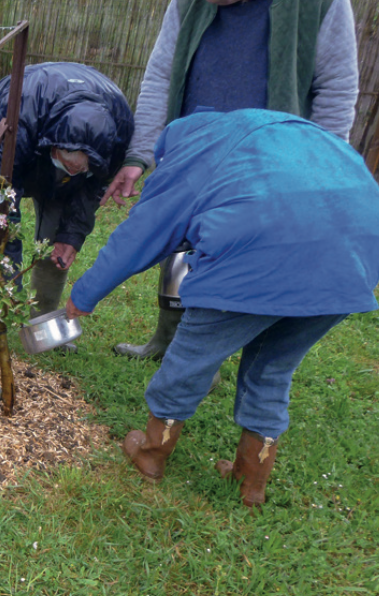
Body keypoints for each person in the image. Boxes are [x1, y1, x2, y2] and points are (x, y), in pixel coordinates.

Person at [67, 109, 379, 507]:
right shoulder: (281, 134)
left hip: (257, 255)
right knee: (273, 369)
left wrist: (85, 294)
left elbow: (142, 234)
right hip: (353, 262)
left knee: (191, 361)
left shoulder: (195, 149)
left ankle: (151, 454)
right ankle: (251, 483)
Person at [102, 0, 359, 362]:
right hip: (193, 153)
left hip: (270, 161)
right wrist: (139, 155)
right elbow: (161, 76)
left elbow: (336, 89)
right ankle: (169, 340)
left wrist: (319, 165)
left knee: (234, 260)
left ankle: (203, 360)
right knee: (181, 252)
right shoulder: (187, 4)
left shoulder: (320, 5)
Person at [0, 63, 134, 354]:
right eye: (69, 164)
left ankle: (44, 323)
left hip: (49, 145)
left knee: (55, 245)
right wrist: (10, 274)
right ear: (55, 144)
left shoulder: (115, 133)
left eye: (82, 168)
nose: (74, 172)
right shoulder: (18, 114)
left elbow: (93, 188)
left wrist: (72, 235)